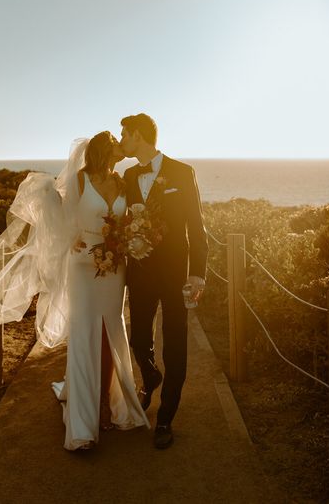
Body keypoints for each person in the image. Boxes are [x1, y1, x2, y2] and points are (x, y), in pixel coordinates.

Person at [0, 132, 149, 451]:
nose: (120, 146)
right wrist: (71, 238)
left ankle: (114, 405)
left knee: (112, 330)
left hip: (116, 268)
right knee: (84, 333)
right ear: (103, 148)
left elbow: (127, 221)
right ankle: (83, 425)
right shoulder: (80, 181)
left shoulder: (125, 182)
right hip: (83, 264)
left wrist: (128, 240)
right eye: (115, 141)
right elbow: (62, 218)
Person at [120, 113, 208, 450]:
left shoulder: (182, 173)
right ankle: (150, 375)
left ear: (139, 135)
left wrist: (197, 272)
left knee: (176, 345)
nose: (122, 140)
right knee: (139, 339)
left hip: (175, 275)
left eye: (125, 134)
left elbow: (196, 228)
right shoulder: (128, 176)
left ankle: (166, 417)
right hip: (139, 274)